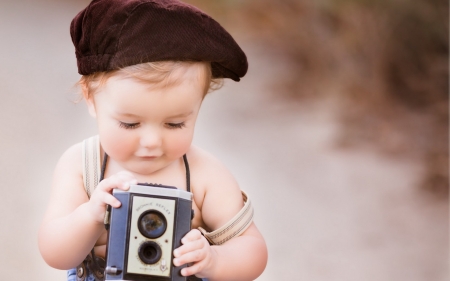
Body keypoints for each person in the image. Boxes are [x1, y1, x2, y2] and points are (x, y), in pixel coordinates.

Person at [38, 1, 267, 281]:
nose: (151, 142)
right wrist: (90, 216)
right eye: (130, 123)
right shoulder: (84, 165)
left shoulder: (204, 174)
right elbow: (54, 251)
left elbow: (253, 249)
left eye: (175, 123)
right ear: (91, 99)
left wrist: (215, 259)